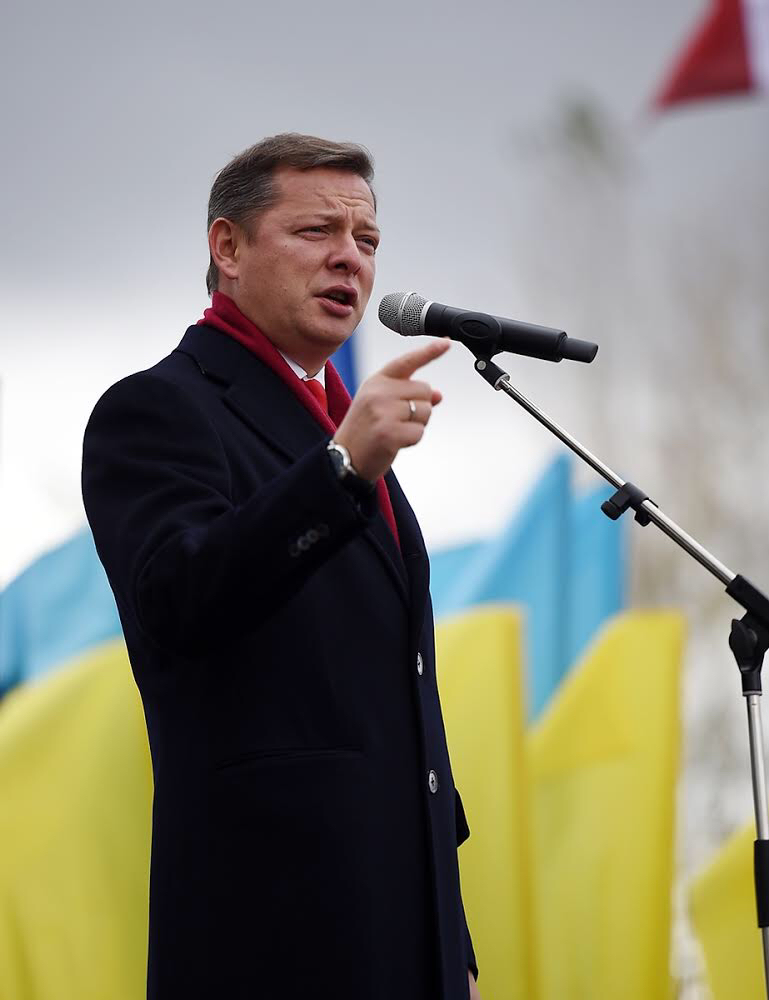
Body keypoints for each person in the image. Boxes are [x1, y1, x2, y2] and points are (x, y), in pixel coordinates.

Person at [82, 133, 480, 1000]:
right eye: (315, 231)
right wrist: (338, 471)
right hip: (270, 927)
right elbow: (179, 599)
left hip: (402, 932)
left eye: (366, 240)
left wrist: (454, 949)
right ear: (227, 248)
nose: (349, 258)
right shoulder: (157, 408)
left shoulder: (335, 431)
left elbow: (397, 705)